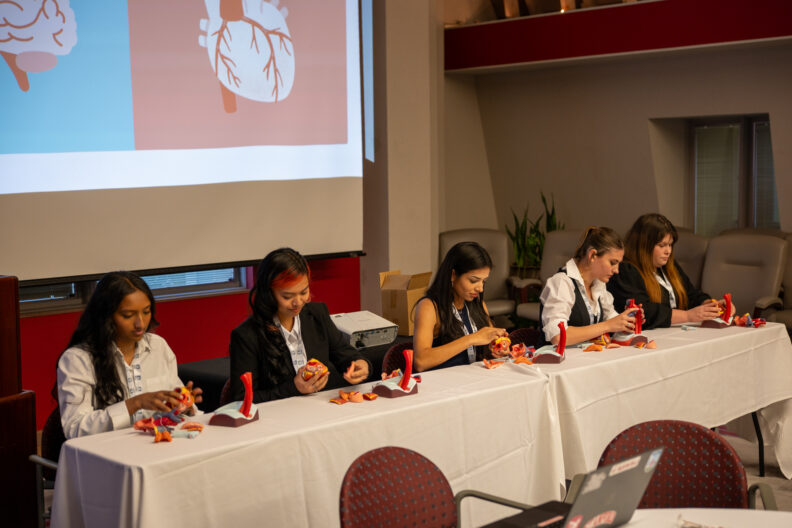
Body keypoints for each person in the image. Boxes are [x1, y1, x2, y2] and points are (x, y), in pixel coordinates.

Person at [56, 271, 202, 439]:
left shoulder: (158, 346)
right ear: (106, 316)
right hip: (106, 454)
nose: (140, 324)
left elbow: (169, 414)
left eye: (146, 312)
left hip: (155, 446)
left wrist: (183, 405)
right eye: (128, 315)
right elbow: (75, 429)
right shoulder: (78, 359)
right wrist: (134, 404)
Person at [229, 248, 370, 403]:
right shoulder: (247, 336)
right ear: (269, 294)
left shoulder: (317, 314)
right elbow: (241, 400)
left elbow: (346, 355)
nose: (297, 303)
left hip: (323, 409)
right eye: (287, 296)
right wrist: (294, 388)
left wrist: (360, 366)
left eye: (304, 292)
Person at [607, 213, 730, 329]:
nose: (668, 251)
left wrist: (710, 305)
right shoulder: (625, 271)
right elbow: (645, 311)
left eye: (670, 245)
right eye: (662, 245)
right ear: (644, 246)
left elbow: (691, 295)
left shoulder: (668, 266)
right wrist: (687, 316)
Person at [413, 241, 508, 372]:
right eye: (473, 281)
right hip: (443, 385)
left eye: (484, 281)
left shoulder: (477, 302)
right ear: (453, 275)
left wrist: (497, 348)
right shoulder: (429, 306)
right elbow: (421, 361)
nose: (480, 288)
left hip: (475, 380)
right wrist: (471, 339)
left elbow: (488, 344)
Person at [540, 227, 637, 346]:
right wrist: (607, 326)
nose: (616, 270)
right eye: (612, 262)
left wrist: (628, 321)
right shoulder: (561, 282)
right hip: (560, 362)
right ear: (592, 255)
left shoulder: (598, 284)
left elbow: (612, 320)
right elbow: (558, 337)